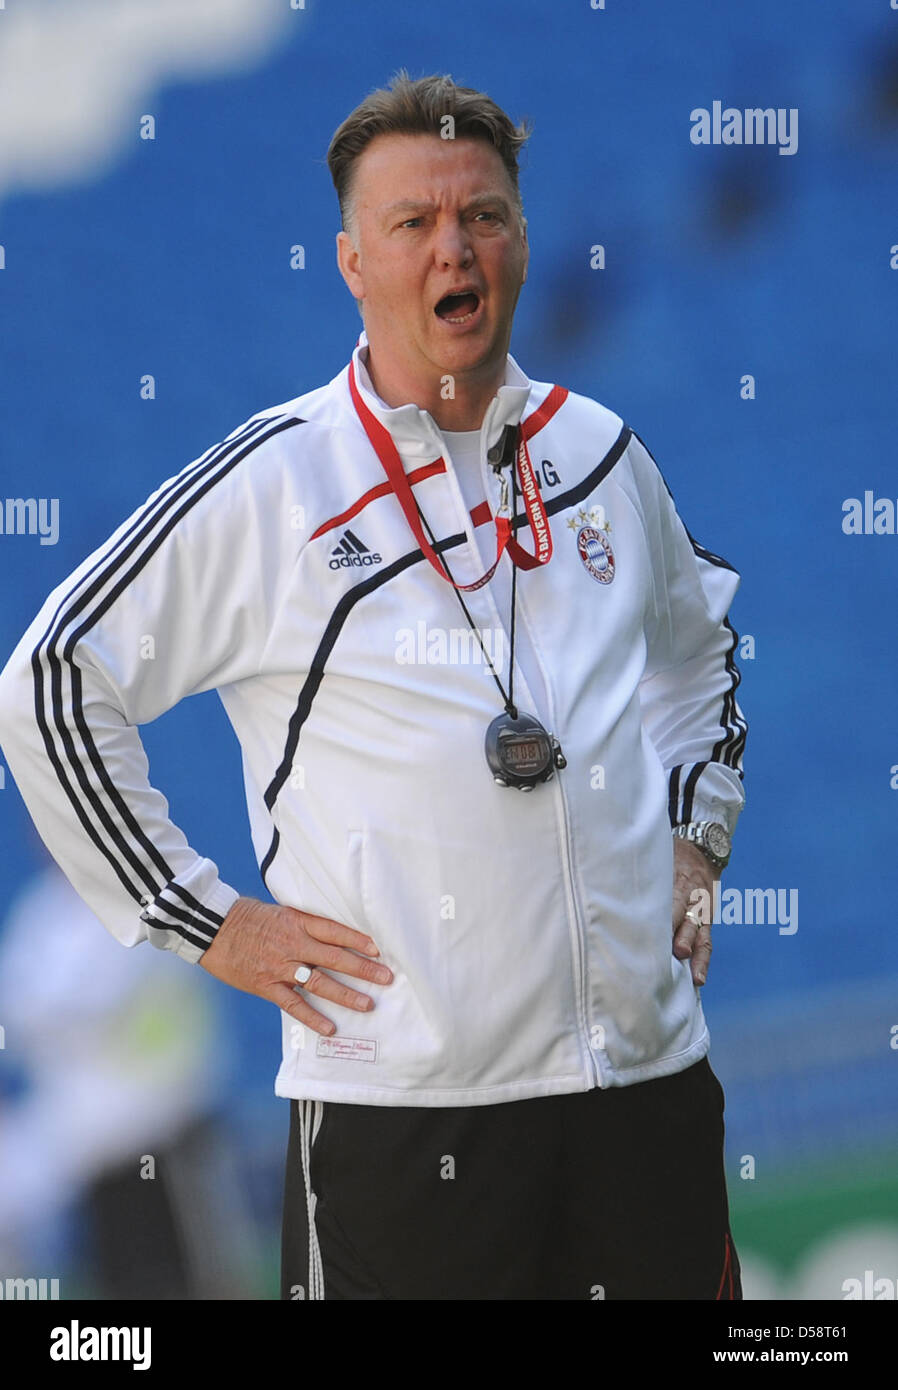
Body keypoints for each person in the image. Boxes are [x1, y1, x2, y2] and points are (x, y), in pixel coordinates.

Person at [0, 70, 747, 1301]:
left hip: (644, 1096)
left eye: (484, 215)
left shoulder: (602, 454)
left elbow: (699, 654)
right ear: (353, 262)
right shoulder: (274, 486)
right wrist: (207, 920)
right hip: (409, 1124)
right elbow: (47, 679)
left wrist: (697, 840)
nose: (454, 247)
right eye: (413, 223)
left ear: (518, 237)